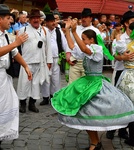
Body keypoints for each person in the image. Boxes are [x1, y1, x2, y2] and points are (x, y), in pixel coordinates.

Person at [51, 20, 134, 150]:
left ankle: (96, 143)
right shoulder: (88, 48)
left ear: (91, 40)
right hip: (86, 83)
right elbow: (73, 47)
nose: (83, 41)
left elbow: (83, 48)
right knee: (85, 116)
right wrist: (67, 31)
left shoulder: (97, 49)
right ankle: (94, 142)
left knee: (91, 114)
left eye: (84, 39)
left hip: (95, 84)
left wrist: (73, 31)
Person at [0, 4, 32, 149]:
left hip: (4, 78)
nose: (10, 21)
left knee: (7, 107)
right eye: (7, 18)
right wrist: (16, 43)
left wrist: (25, 66)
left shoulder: (5, 34)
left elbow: (14, 53)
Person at [17, 8, 53, 113]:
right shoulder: (23, 30)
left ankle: (32, 104)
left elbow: (48, 48)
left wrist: (49, 61)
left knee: (36, 84)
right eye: (33, 18)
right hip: (26, 62)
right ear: (29, 19)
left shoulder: (45, 31)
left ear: (40, 19)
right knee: (24, 84)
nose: (36, 20)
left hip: (40, 62)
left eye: (37, 18)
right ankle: (22, 104)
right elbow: (17, 46)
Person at [113, 10, 134, 146]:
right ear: (126, 23)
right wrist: (123, 57)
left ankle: (129, 131)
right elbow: (114, 55)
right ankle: (117, 128)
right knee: (120, 102)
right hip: (122, 71)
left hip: (132, 73)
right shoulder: (119, 38)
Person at [66, 8, 101, 84]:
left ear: (90, 18)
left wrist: (73, 32)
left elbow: (86, 49)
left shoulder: (96, 31)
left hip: (88, 61)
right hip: (75, 59)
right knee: (72, 85)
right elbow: (71, 44)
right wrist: (68, 55)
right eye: (82, 17)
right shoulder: (76, 28)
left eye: (86, 17)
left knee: (85, 86)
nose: (83, 19)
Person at [40, 13, 69, 105]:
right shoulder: (43, 31)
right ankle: (45, 97)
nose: (53, 23)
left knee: (56, 79)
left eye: (54, 21)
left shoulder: (58, 31)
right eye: (51, 21)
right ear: (46, 22)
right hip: (45, 59)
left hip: (56, 58)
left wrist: (67, 54)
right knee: (46, 78)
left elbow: (64, 43)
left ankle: (54, 96)